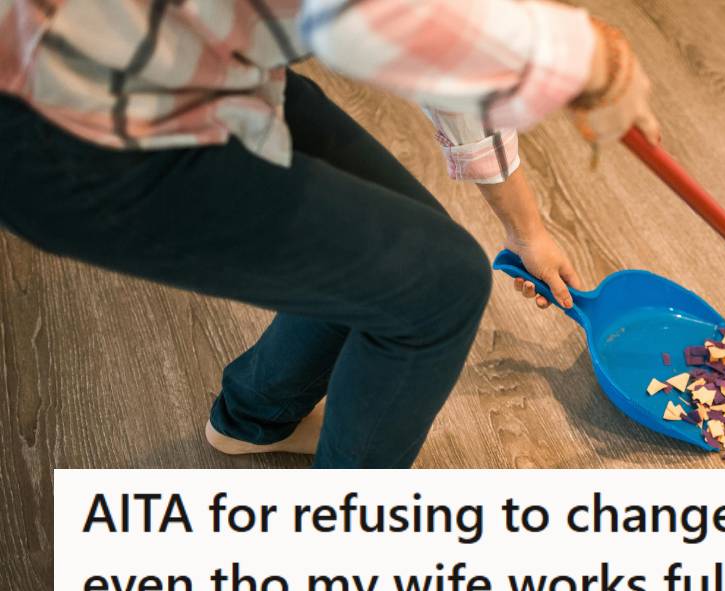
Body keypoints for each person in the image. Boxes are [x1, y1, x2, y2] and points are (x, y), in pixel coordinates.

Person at [0, 0, 661, 467]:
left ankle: (255, 418)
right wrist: (592, 58)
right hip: (83, 131)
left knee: (413, 246)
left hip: (204, 59)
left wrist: (528, 230)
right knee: (444, 287)